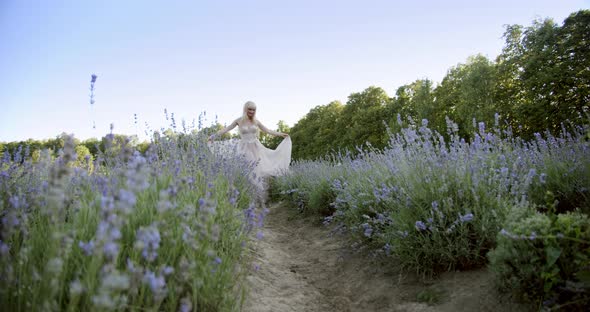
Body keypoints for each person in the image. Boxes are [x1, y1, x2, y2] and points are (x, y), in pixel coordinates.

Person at [208, 101, 292, 196]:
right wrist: (213, 136)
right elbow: (226, 129)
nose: (251, 111)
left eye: (253, 110)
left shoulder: (256, 121)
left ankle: (261, 194)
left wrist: (281, 134)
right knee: (250, 170)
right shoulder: (238, 121)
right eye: (250, 109)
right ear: (245, 109)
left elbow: (267, 130)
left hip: (256, 148)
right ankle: (254, 194)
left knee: (258, 169)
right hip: (244, 148)